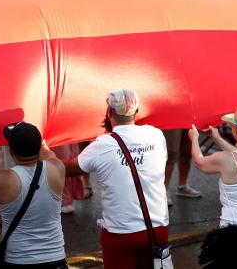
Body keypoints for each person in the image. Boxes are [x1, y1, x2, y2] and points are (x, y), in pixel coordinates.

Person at [62, 89, 169, 267]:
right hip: (157, 229)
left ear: (109, 112)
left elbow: (68, 169)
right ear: (136, 112)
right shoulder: (156, 135)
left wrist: (44, 153)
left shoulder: (103, 144)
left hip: (121, 234)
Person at [0, 122, 67, 268]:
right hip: (56, 259)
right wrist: (42, 145)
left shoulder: (5, 179)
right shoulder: (58, 168)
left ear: (11, 151)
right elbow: (48, 153)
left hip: (19, 260)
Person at [163, 129, 201, 206]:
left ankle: (182, 186)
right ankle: (163, 191)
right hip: (171, 119)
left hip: (190, 118)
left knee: (187, 151)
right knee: (171, 152)